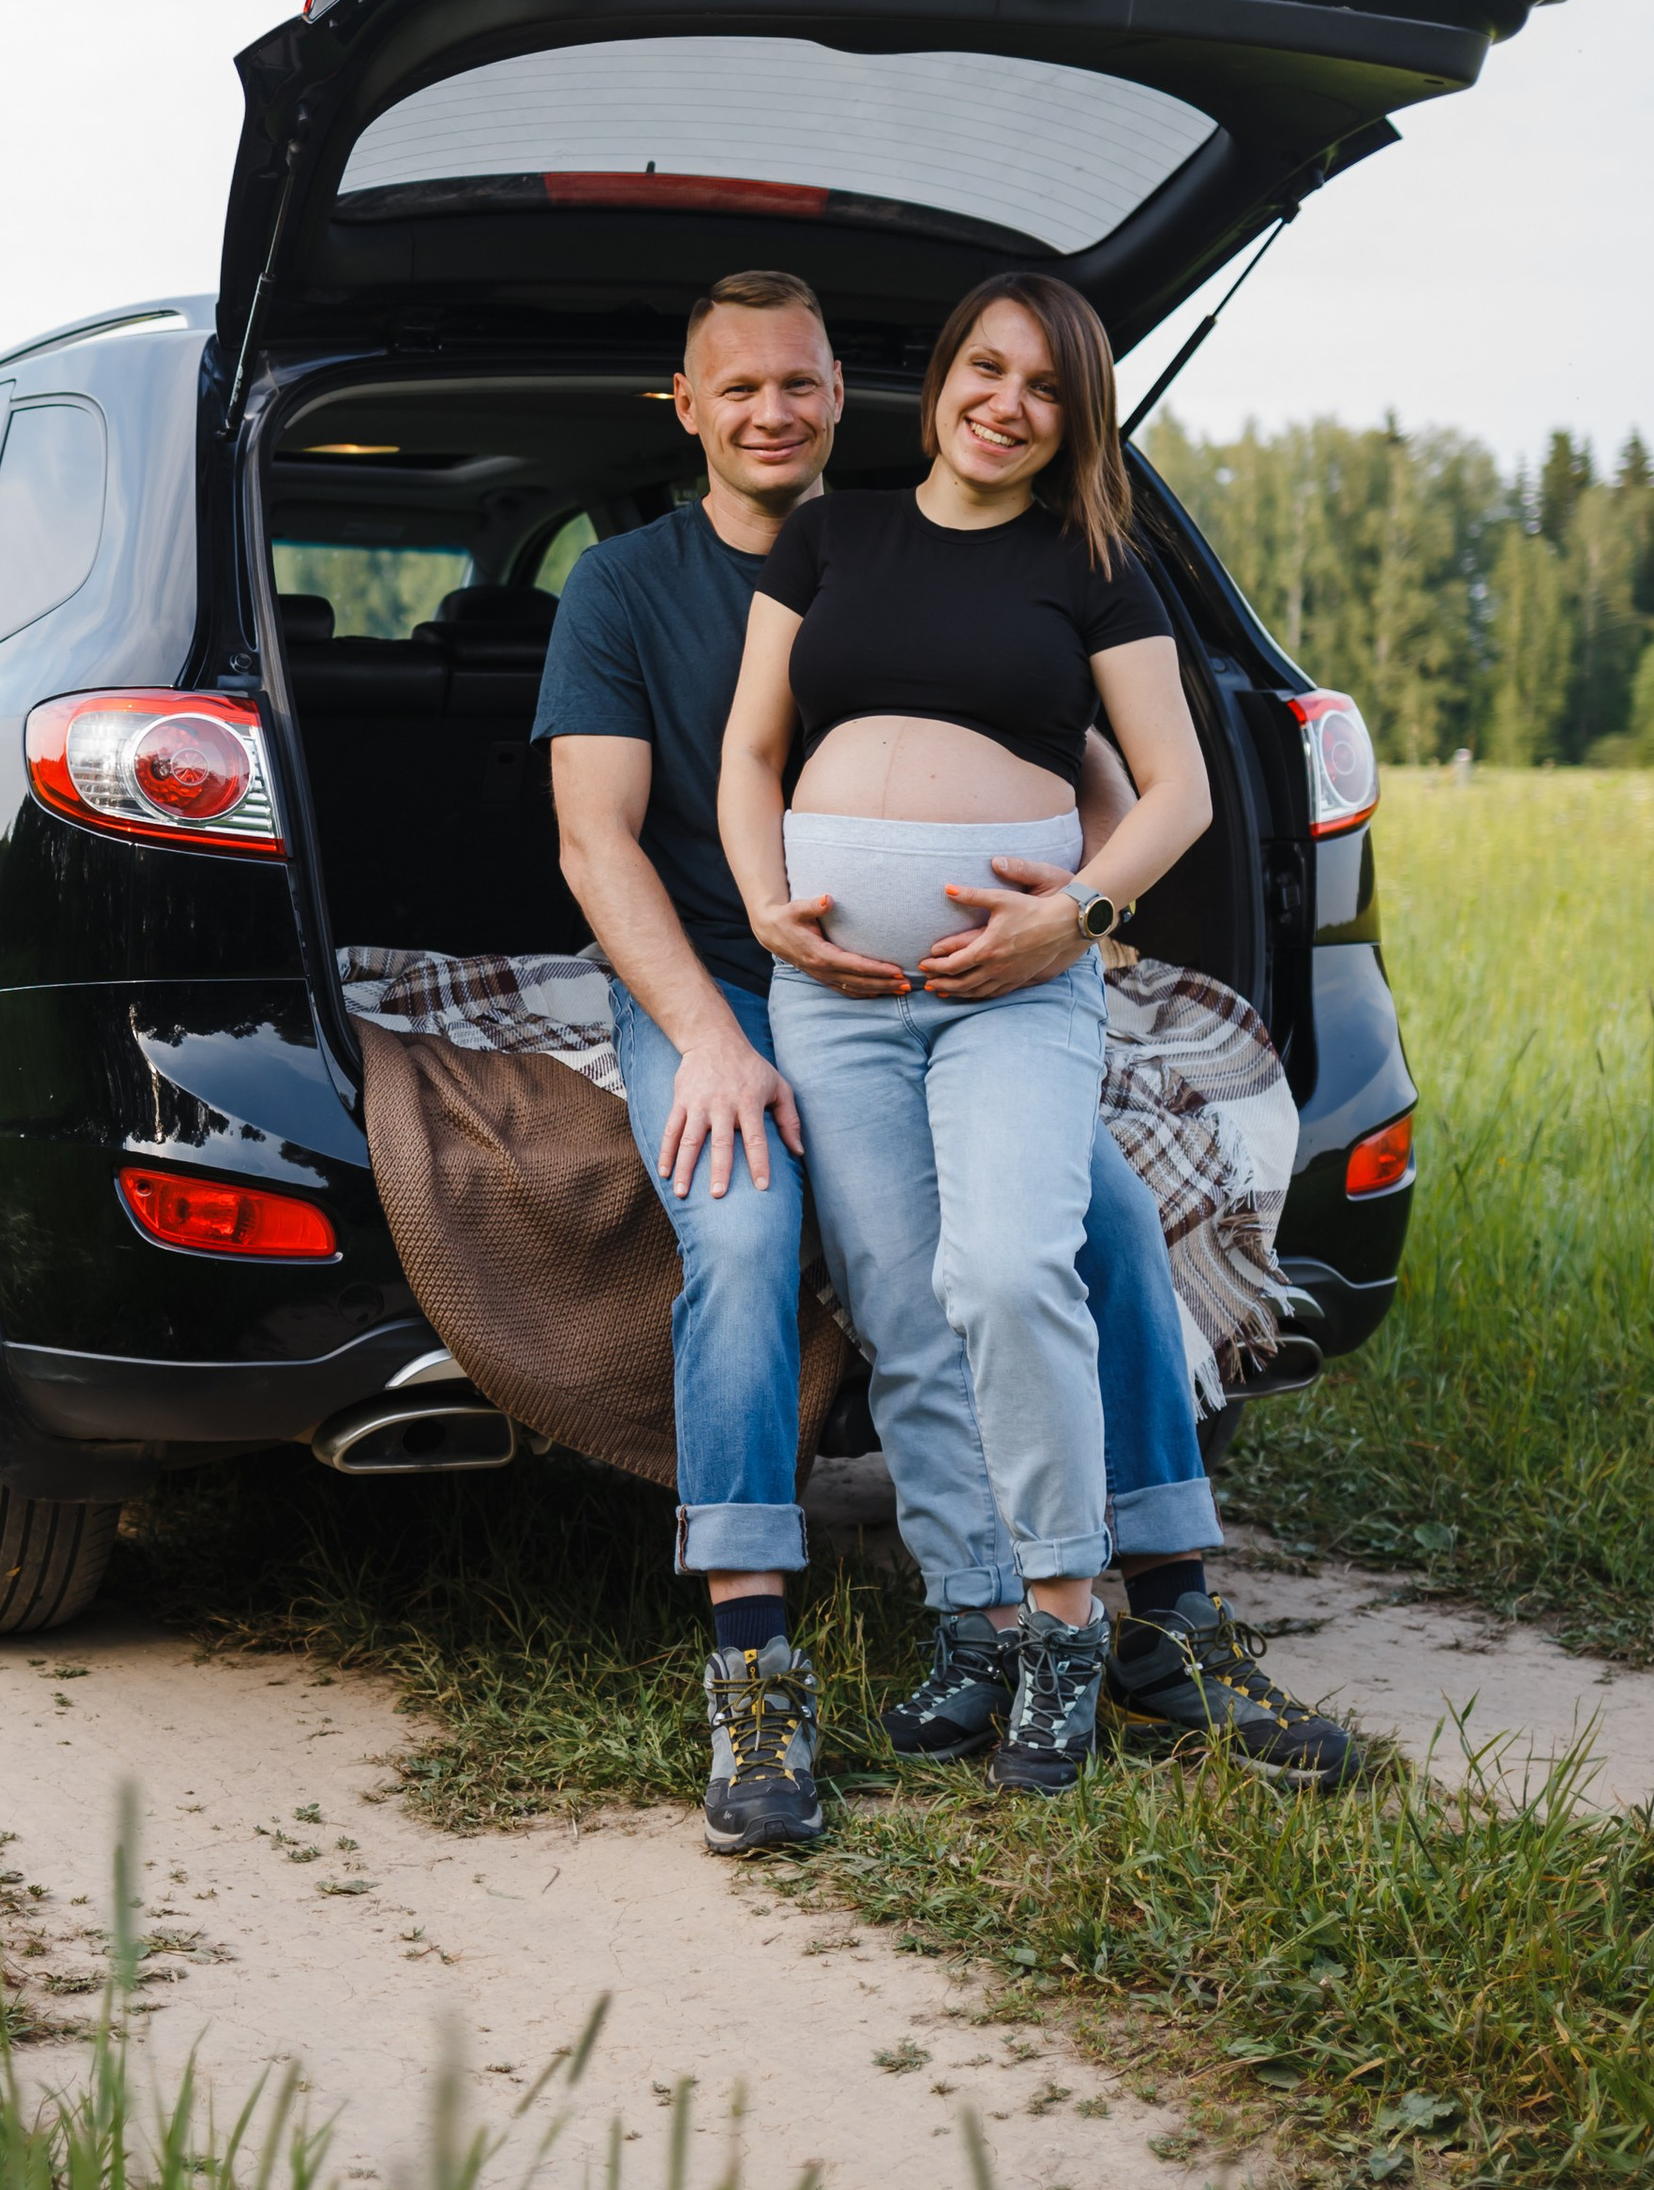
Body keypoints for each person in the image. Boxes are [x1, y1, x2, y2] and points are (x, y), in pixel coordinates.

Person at [541, 268, 1349, 1853]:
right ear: (687, 409)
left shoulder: (908, 551)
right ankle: (768, 1658)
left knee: (1093, 1229)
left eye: (802, 384)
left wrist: (1084, 931)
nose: (774, 411)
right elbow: (604, 833)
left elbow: (1114, 783)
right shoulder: (641, 584)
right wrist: (716, 1026)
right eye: (739, 388)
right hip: (741, 981)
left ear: (848, 395)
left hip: (978, 979)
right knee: (762, 1233)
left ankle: (1160, 1617)